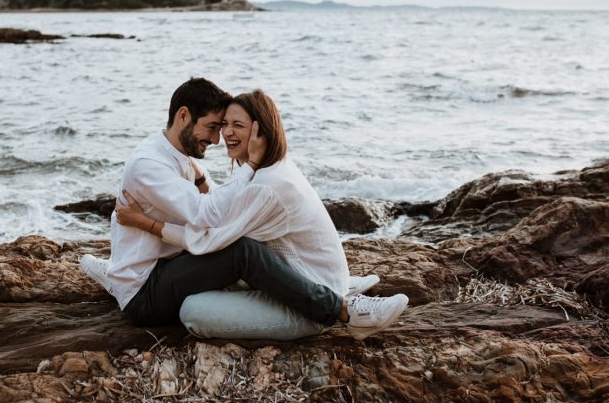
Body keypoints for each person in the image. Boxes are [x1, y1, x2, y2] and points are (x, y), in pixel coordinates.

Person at [110, 87, 409, 340]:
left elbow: (212, 235)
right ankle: (115, 274)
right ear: (184, 116)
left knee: (201, 300)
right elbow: (217, 214)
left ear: (259, 131)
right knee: (236, 255)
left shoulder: (264, 182)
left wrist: (147, 224)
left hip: (303, 302)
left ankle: (342, 307)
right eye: (219, 125)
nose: (221, 136)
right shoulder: (263, 172)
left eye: (234, 125)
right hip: (153, 285)